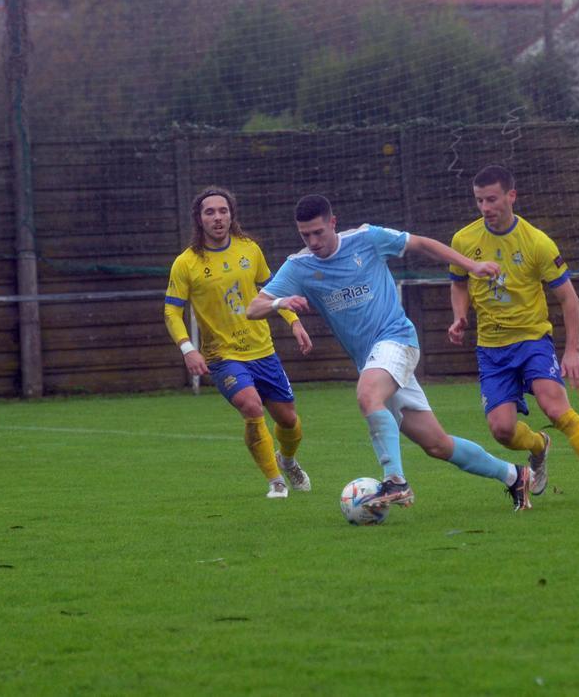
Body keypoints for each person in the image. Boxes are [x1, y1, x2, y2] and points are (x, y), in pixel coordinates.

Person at [245, 194, 534, 511]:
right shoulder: (299, 266)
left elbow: (422, 243)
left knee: (368, 394)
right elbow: (253, 308)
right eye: (305, 235)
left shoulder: (367, 239)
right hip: (372, 360)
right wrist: (279, 302)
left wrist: (472, 265)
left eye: (318, 232)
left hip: (397, 340)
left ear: (333, 223)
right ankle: (515, 475)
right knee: (437, 444)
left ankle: (396, 481)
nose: (313, 242)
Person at [448, 165, 579, 506]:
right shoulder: (464, 240)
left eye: (491, 199)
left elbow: (568, 298)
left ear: (511, 196)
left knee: (556, 407)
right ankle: (538, 445)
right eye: (479, 201)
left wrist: (572, 351)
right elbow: (459, 284)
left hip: (532, 341)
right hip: (491, 349)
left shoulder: (536, 242)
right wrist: (459, 316)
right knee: (502, 430)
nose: (485, 208)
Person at [164, 186, 314, 500]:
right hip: (222, 355)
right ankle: (275, 481)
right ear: (199, 218)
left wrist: (295, 322)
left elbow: (273, 291)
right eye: (210, 212)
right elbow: (172, 311)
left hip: (263, 351)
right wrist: (187, 348)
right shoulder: (186, 263)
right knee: (251, 405)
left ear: (232, 215)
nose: (217, 217)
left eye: (223, 211)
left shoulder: (250, 249)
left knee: (288, 419)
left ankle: (287, 461)